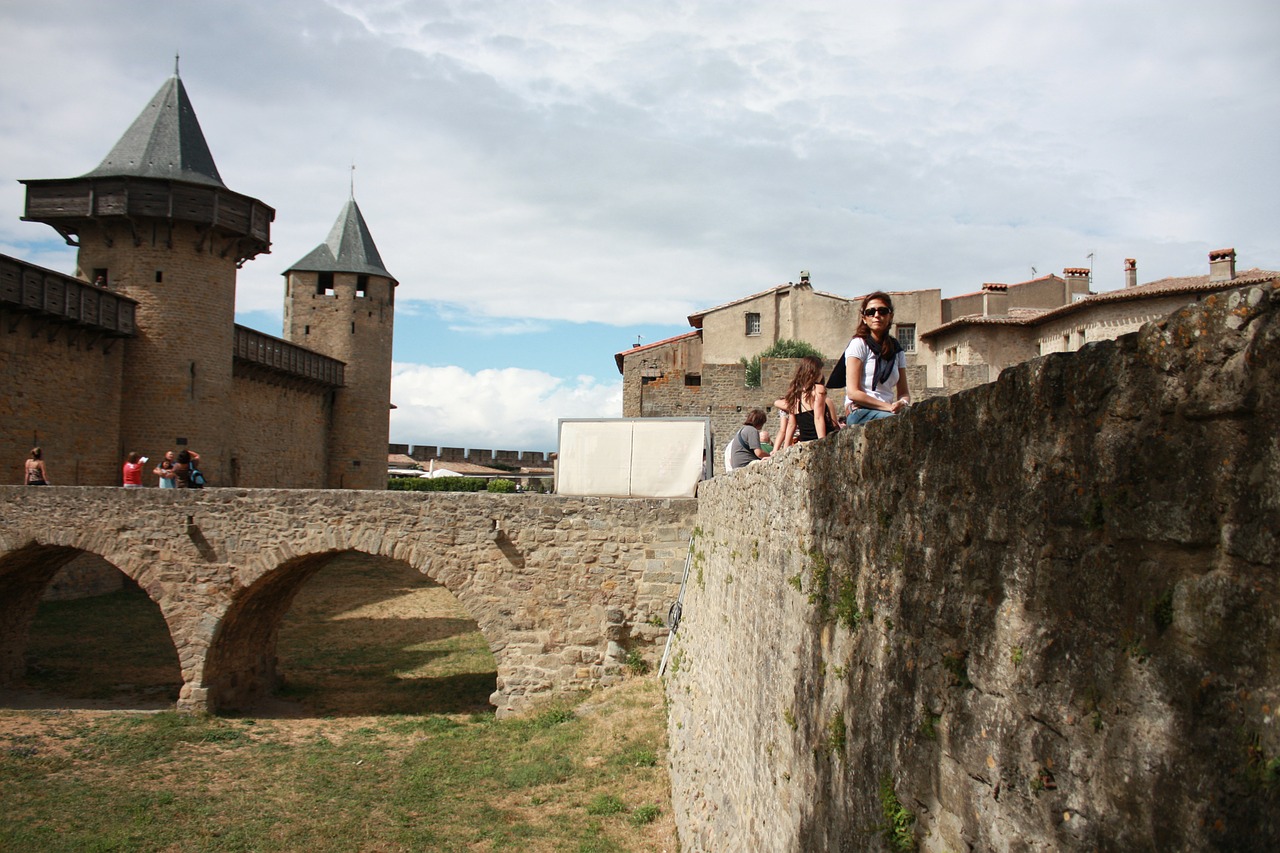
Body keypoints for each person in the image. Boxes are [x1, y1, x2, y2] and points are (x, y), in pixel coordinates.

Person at [843, 291, 910, 425]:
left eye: (882, 311)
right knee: (898, 423)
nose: (876, 315)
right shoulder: (859, 344)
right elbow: (853, 393)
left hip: (887, 412)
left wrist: (902, 403)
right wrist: (889, 407)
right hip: (861, 411)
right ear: (864, 318)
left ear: (890, 316)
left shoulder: (897, 351)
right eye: (871, 312)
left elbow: (904, 392)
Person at [776, 356, 834, 450]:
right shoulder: (818, 389)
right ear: (815, 371)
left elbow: (792, 424)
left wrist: (785, 448)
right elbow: (818, 418)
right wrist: (823, 444)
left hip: (804, 442)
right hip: (819, 438)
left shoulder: (795, 393)